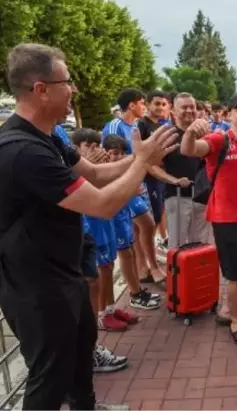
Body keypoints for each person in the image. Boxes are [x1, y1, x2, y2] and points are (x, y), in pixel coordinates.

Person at [0, 43, 177, 411]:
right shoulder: (22, 150)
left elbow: (95, 173)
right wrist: (142, 164)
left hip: (63, 271)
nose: (74, 91)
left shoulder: (48, 136)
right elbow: (103, 203)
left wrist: (138, 158)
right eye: (67, 82)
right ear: (40, 89)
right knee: (50, 376)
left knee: (81, 353)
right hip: (35, 284)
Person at [181, 95, 237, 347]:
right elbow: (189, 150)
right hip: (225, 218)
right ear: (230, 114)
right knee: (235, 274)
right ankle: (235, 320)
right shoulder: (220, 140)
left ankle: (228, 307)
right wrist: (190, 133)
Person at [64, 127, 130, 373]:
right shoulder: (31, 148)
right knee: (91, 281)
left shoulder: (53, 138)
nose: (94, 151)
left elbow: (104, 180)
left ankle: (93, 342)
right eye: (88, 146)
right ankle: (94, 333)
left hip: (96, 229)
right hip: (82, 229)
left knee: (100, 273)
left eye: (95, 145)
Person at [103, 89, 166, 287]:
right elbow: (111, 159)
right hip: (124, 186)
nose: (144, 107)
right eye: (141, 103)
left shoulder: (134, 126)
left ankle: (144, 268)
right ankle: (147, 270)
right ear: (131, 105)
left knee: (142, 228)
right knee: (142, 226)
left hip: (138, 184)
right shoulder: (115, 126)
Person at [150, 93, 213, 247]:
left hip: (203, 198)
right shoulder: (167, 135)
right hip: (178, 197)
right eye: (184, 107)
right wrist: (174, 180)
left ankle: (197, 272)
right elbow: (151, 165)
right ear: (174, 111)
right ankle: (176, 272)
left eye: (192, 107)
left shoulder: (206, 135)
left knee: (201, 246)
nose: (189, 110)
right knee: (177, 246)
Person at [137, 90, 170, 248]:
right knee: (151, 218)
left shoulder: (159, 125)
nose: (160, 107)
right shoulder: (141, 124)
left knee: (160, 211)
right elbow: (140, 154)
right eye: (157, 103)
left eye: (163, 104)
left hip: (160, 176)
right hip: (148, 178)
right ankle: (148, 253)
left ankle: (160, 242)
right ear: (148, 104)